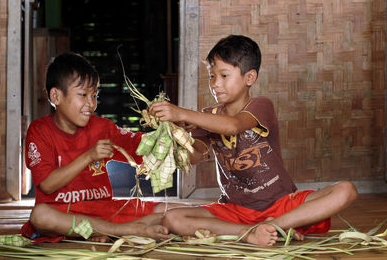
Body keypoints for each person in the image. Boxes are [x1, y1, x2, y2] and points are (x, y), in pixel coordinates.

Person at [149, 35, 358, 246]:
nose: (215, 84)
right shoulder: (206, 116)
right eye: (211, 76)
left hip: (282, 205)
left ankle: (275, 224)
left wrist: (183, 113)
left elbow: (233, 125)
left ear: (249, 78)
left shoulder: (260, 105)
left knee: (346, 190)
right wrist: (176, 135)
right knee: (172, 218)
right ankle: (251, 232)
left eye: (224, 75)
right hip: (235, 209)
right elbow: (192, 157)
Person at [21, 52, 184, 243]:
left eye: (94, 95)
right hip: (65, 216)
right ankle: (126, 230)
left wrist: (170, 134)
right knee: (41, 216)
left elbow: (139, 148)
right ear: (56, 96)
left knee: (174, 212)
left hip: (104, 213)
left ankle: (111, 231)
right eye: (83, 95)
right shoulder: (40, 131)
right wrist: (89, 156)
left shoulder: (102, 128)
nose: (91, 103)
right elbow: (47, 185)